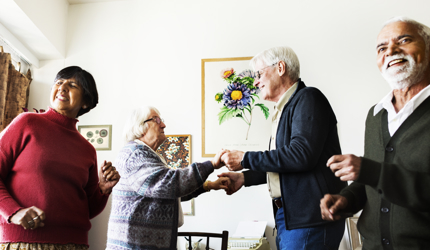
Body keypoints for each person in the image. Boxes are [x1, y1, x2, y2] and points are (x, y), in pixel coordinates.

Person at [218, 46, 347, 249]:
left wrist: (244, 158)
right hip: (291, 217)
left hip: (311, 219)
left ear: (280, 68)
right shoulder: (285, 109)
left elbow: (301, 155)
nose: (256, 81)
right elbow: (286, 163)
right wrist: (245, 177)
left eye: (259, 74)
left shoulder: (308, 98)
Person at [320, 16, 430, 249]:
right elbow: (373, 179)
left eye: (404, 39)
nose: (391, 50)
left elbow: (375, 172)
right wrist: (347, 199)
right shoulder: (376, 114)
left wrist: (368, 170)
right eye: (382, 47)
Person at [0, 66, 120, 249]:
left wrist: (103, 190)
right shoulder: (26, 123)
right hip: (25, 242)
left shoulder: (87, 149)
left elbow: (88, 209)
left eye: (72, 85)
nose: (62, 87)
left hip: (75, 244)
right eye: (58, 82)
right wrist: (13, 212)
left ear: (86, 102)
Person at [106, 106, 230, 250]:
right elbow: (168, 184)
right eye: (156, 120)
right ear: (140, 126)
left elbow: (168, 194)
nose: (163, 124)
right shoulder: (135, 154)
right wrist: (211, 164)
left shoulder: (144, 154)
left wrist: (209, 185)